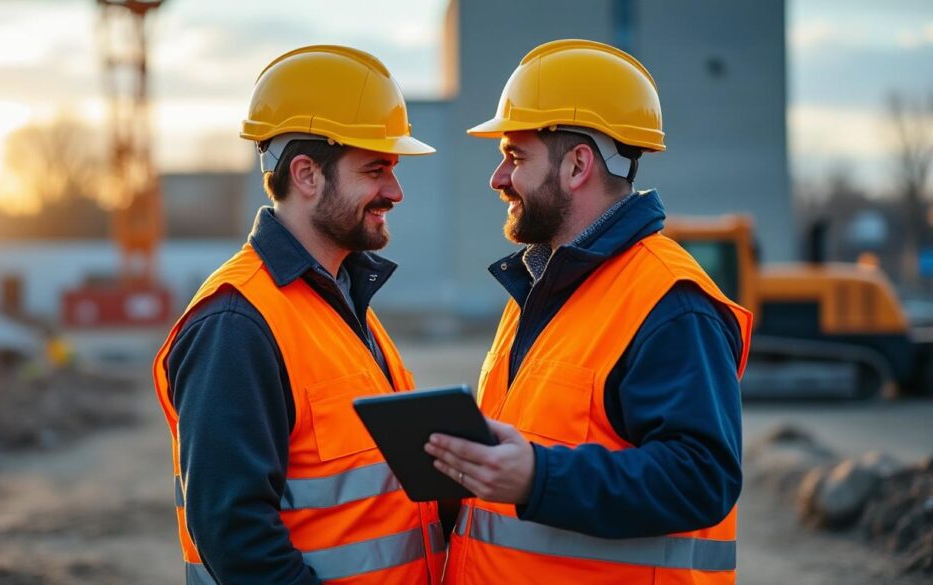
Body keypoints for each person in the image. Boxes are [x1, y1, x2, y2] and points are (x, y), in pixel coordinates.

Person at [424, 39, 753, 584]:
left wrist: (539, 476)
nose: (498, 179)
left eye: (515, 156)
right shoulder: (543, 287)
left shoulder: (669, 299)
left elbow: (702, 478)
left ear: (578, 165)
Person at [152, 45, 446, 585]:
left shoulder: (341, 300)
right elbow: (235, 536)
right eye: (376, 169)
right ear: (307, 174)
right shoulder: (237, 322)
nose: (394, 191)